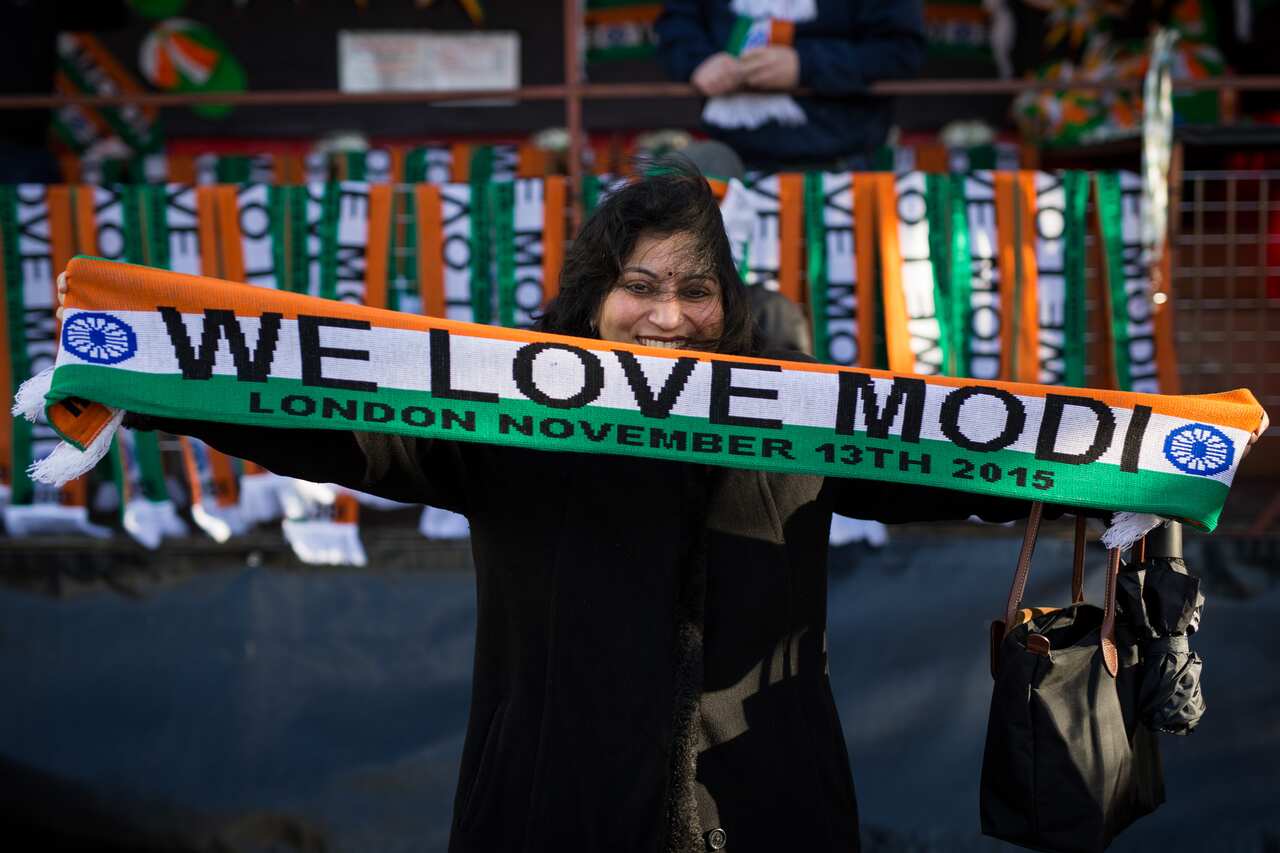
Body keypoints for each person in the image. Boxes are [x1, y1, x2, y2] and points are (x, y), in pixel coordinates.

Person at [56, 165, 1265, 853]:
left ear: (726, 303)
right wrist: (152, 381)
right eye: (639, 286)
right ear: (594, 295)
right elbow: (325, 412)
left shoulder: (798, 417)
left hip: (768, 814)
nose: (668, 316)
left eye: (694, 290)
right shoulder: (497, 420)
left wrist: (1139, 456)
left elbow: (959, 455)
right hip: (554, 812)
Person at [654, 0, 926, 172]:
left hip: (841, 163)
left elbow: (901, 51)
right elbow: (676, 22)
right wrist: (698, 61)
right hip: (730, 162)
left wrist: (805, 64)